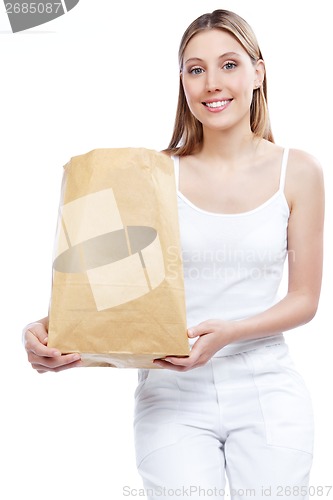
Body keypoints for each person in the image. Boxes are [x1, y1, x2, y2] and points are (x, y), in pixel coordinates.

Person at [23, 9, 324, 500]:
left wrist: (231, 333)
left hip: (266, 386)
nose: (212, 83)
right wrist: (47, 331)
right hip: (172, 393)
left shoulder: (299, 171)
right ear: (182, 81)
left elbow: (306, 298)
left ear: (258, 72)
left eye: (229, 64)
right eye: (195, 69)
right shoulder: (153, 173)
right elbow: (109, 288)